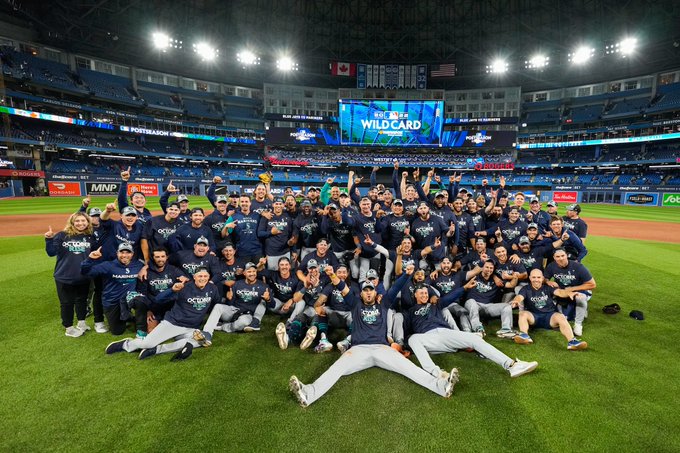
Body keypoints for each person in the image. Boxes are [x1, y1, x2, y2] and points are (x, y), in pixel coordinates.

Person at [288, 265, 459, 407]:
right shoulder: (355, 305)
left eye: (371, 290)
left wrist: (407, 275)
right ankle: (308, 394)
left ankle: (441, 386)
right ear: (361, 294)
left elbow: (395, 289)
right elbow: (341, 287)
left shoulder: (383, 304)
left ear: (375, 293)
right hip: (358, 350)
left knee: (410, 369)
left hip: (382, 348)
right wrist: (332, 274)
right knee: (336, 369)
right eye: (365, 291)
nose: (368, 293)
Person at [406, 283, 538, 379]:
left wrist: (464, 288)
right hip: (428, 338)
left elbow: (450, 297)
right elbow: (407, 329)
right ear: (415, 295)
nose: (424, 295)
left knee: (475, 339)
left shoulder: (435, 304)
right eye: (421, 293)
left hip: (445, 333)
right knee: (413, 338)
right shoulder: (410, 311)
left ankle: (511, 365)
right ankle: (437, 373)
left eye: (425, 293)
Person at [104, 267, 218, 361]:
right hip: (173, 323)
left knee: (202, 340)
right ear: (194, 277)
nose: (202, 278)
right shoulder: (184, 287)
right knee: (148, 343)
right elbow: (158, 299)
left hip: (191, 327)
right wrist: (172, 290)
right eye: (200, 276)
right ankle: (126, 344)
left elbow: (216, 304)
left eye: (205, 276)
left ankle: (157, 350)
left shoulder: (212, 288)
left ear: (209, 277)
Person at [45, 212, 97, 337]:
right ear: (72, 222)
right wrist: (48, 239)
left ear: (88, 222)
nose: (80, 223)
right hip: (64, 276)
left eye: (83, 221)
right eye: (77, 221)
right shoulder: (63, 236)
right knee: (67, 303)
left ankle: (81, 323)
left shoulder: (90, 237)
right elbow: (51, 253)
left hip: (83, 276)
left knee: (82, 301)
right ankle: (68, 328)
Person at [511, 268, 588, 350]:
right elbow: (520, 296)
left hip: (549, 317)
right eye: (533, 277)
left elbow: (560, 292)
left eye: (538, 277)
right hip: (533, 317)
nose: (536, 280)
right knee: (522, 314)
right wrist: (516, 300)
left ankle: (572, 342)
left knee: (560, 317)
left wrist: (569, 293)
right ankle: (524, 336)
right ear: (530, 278)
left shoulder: (548, 288)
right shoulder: (525, 289)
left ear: (542, 278)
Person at [80, 242, 145, 335]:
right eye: (122, 252)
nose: (125, 255)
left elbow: (150, 267)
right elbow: (86, 272)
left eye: (128, 252)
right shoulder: (108, 265)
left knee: (141, 300)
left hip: (129, 299)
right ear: (117, 253)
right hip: (112, 301)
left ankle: (139, 325)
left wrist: (145, 267)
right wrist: (90, 259)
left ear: (132, 254)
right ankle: (129, 317)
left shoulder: (138, 265)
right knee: (117, 331)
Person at [544, 248, 596, 336]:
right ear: (554, 257)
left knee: (580, 298)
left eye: (563, 256)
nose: (561, 258)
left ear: (566, 256)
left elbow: (592, 284)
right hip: (563, 292)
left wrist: (572, 289)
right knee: (547, 294)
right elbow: (545, 278)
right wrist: (548, 281)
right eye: (558, 256)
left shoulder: (578, 267)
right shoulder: (551, 266)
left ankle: (578, 324)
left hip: (581, 291)